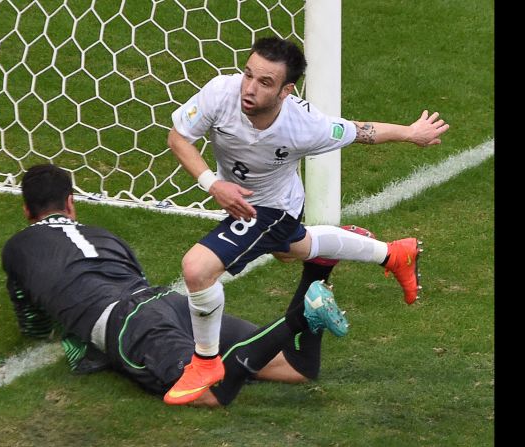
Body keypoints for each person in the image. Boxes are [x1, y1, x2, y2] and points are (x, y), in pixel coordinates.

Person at [164, 36, 449, 404]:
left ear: (286, 90)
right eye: (248, 74)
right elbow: (178, 138)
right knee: (294, 249)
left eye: (264, 83)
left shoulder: (305, 125)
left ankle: (206, 361)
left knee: (197, 269)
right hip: (241, 200)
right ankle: (393, 253)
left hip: (270, 209)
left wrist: (411, 133)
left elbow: (360, 131)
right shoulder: (221, 92)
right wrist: (213, 183)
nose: (248, 89)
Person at [1, 163, 356, 406]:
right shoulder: (104, 236)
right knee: (296, 369)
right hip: (167, 302)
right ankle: (316, 272)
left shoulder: (17, 247)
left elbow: (34, 324)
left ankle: (300, 316)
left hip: (130, 326)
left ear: (26, 211)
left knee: (208, 393)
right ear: (70, 204)